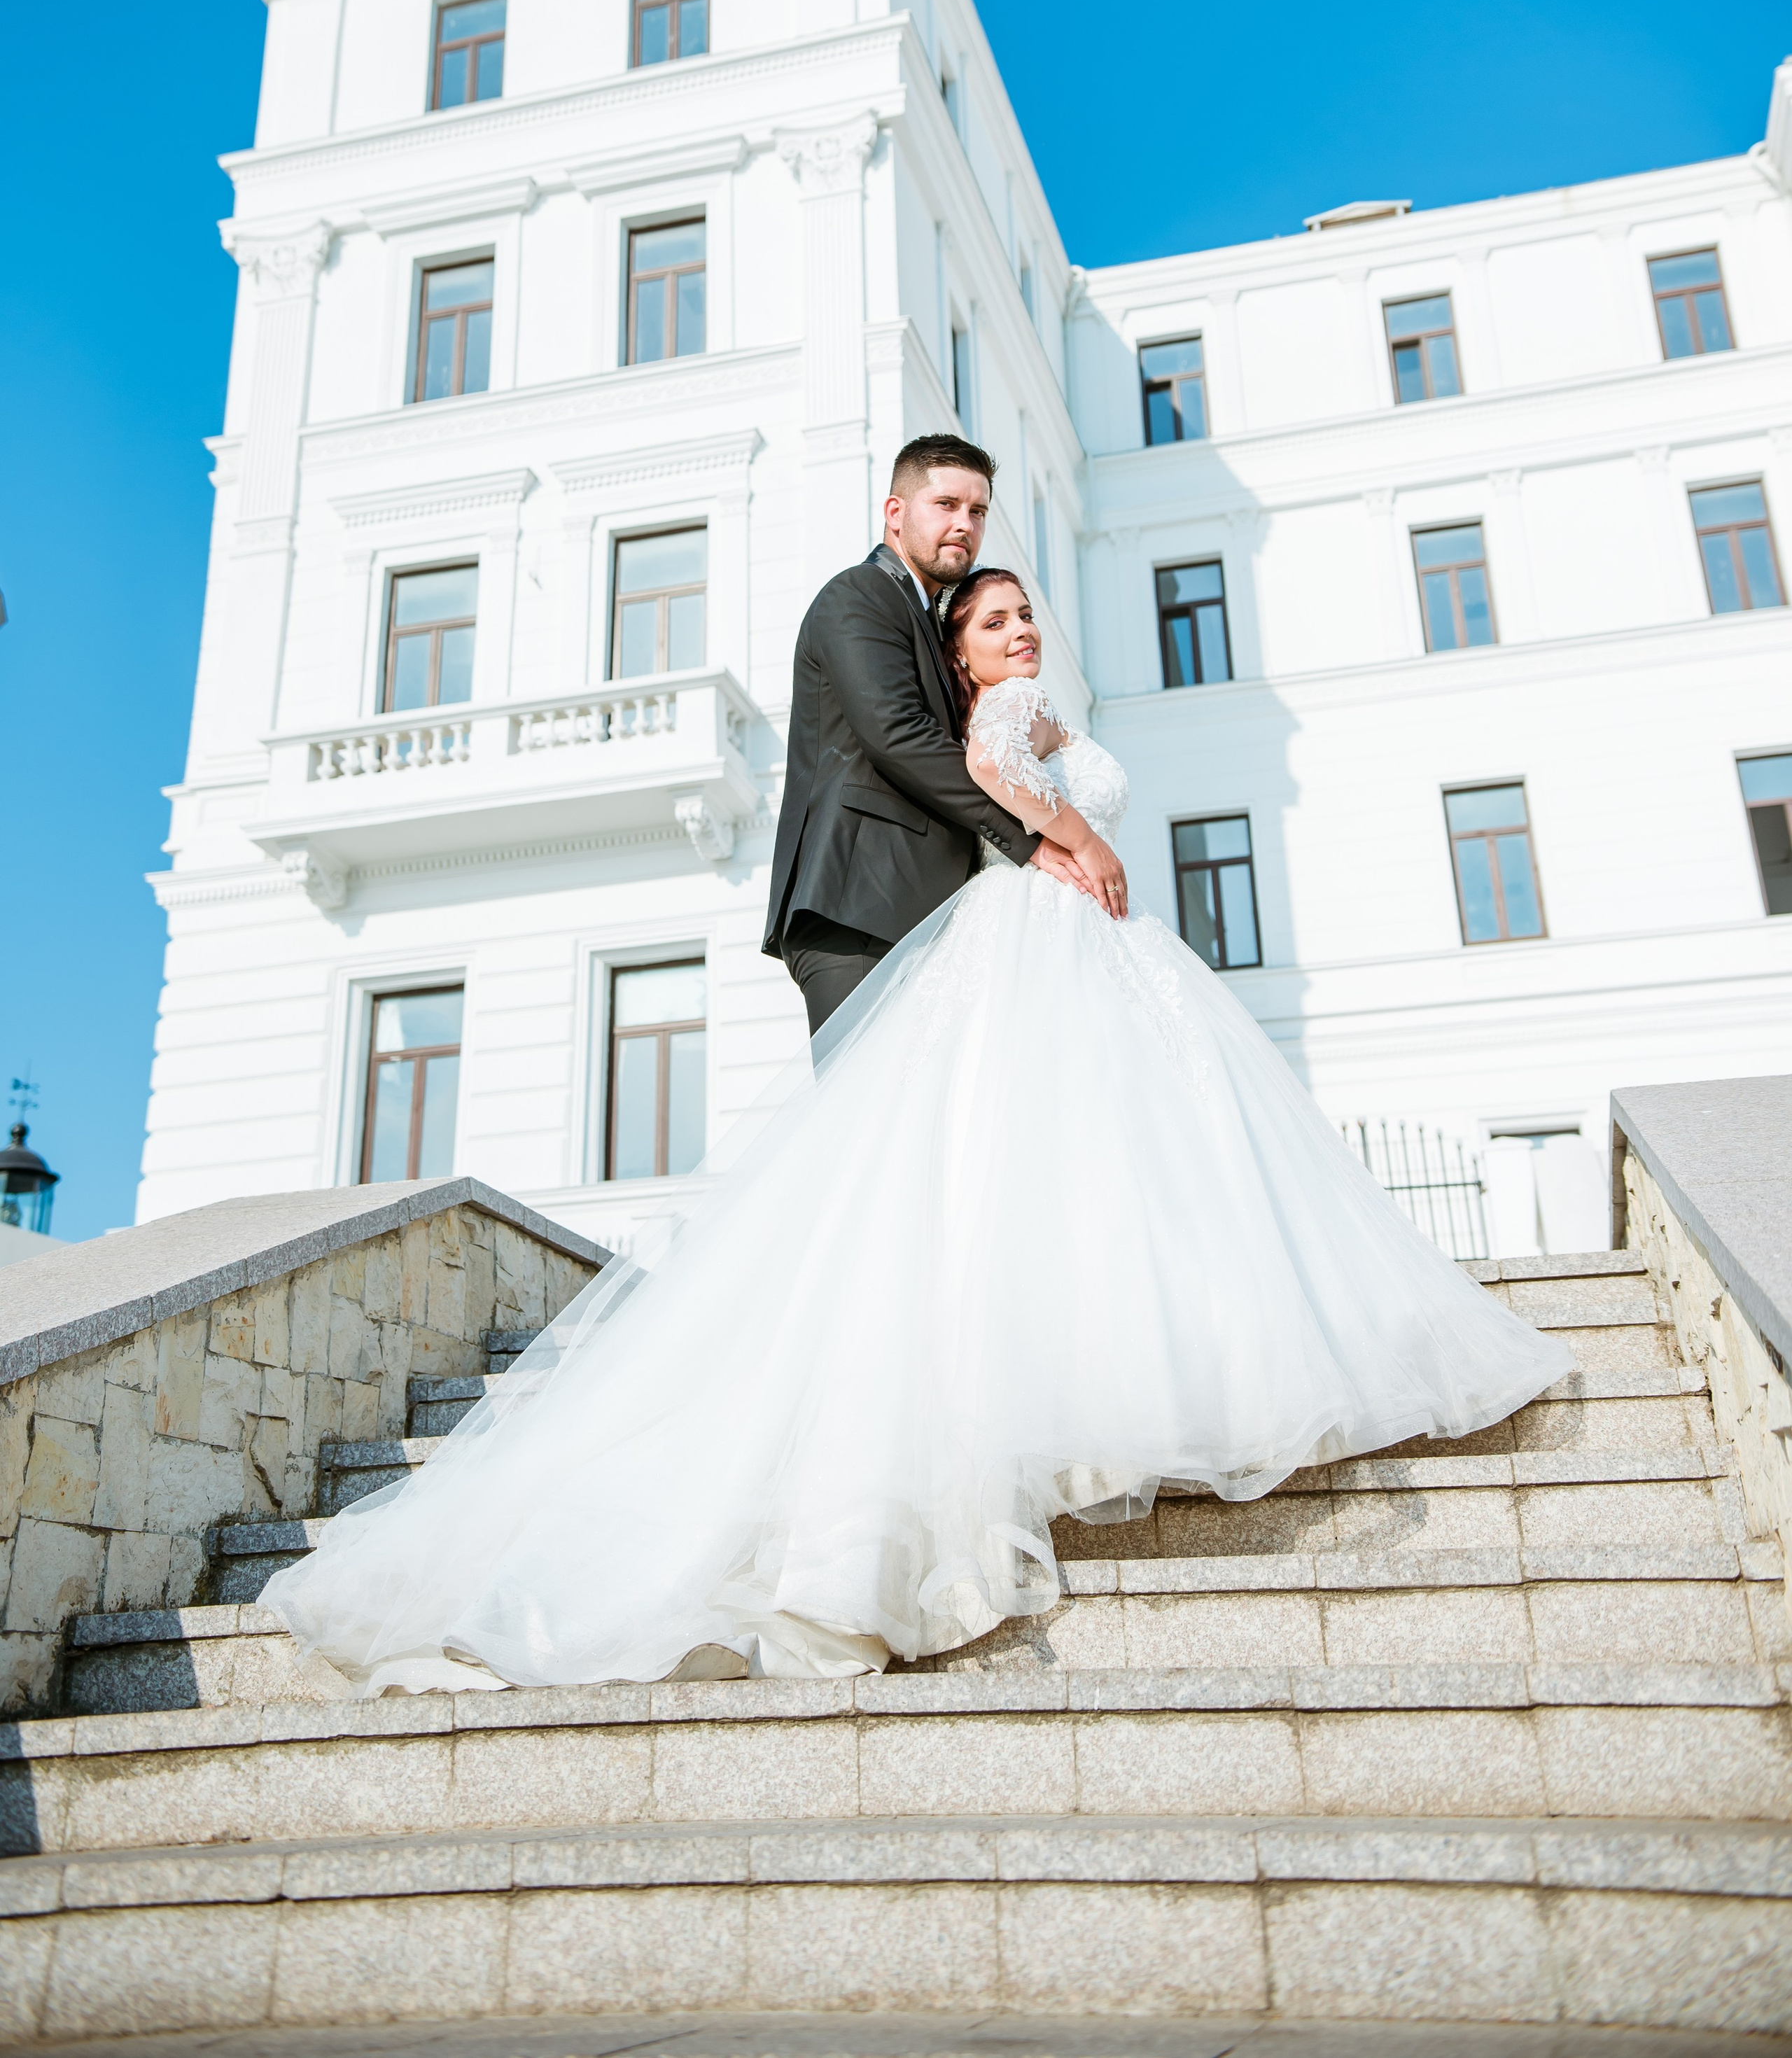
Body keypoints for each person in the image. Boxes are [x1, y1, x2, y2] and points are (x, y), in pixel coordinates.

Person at [262, 565, 1570, 1696]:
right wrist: (1067, 830)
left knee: (1140, 1173)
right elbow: (992, 773)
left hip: (1097, 943)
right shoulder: (995, 719)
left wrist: (1070, 816)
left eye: (1025, 616)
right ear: (958, 651)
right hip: (1036, 929)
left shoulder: (1044, 703)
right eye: (993, 620)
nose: (1019, 633)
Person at [764, 433, 1128, 1035]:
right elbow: (898, 735)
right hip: (860, 907)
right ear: (895, 512)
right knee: (870, 1122)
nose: (965, 523)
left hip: (935, 918)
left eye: (978, 510)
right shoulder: (857, 597)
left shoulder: (933, 627)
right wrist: (1036, 842)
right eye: (947, 505)